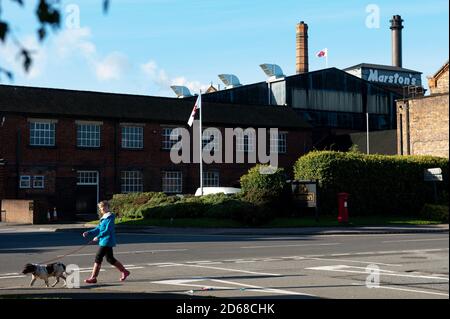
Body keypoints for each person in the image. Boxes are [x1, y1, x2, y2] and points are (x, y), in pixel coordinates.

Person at [82, 200, 130, 284]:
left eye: (104, 207)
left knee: (98, 257)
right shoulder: (103, 217)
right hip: (103, 240)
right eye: (101, 208)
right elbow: (98, 228)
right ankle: (125, 271)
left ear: (108, 207)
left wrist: (98, 236)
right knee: (110, 259)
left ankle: (93, 277)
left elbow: (108, 230)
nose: (102, 209)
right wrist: (88, 232)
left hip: (107, 240)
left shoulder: (110, 217)